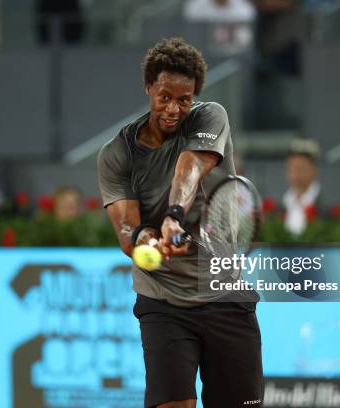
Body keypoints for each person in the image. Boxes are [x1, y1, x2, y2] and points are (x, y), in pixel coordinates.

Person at [97, 38, 262, 408]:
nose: (173, 108)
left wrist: (173, 216)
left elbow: (190, 168)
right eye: (164, 96)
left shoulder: (210, 116)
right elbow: (126, 228)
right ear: (148, 88)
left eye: (183, 99)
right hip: (163, 303)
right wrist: (145, 238)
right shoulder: (117, 154)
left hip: (224, 294)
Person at [282, 139, 322, 236]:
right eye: (292, 168)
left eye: (301, 169)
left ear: (314, 170)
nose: (295, 174)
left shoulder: (326, 206)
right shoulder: (282, 204)